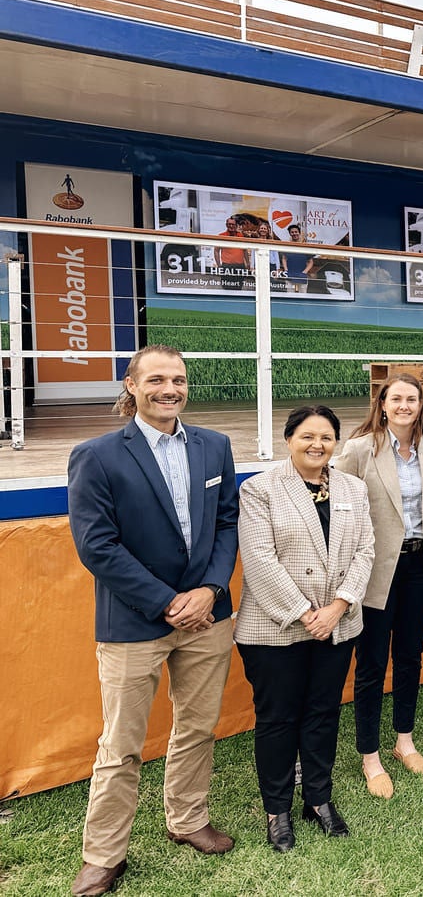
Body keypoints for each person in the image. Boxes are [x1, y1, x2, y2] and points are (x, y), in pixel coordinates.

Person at [67, 345, 238, 896]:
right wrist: (169, 602)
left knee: (197, 726)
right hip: (135, 622)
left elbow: (228, 524)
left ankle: (187, 821)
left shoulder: (215, 447)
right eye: (158, 379)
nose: (171, 389)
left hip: (208, 617)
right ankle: (104, 854)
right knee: (121, 744)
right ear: (132, 385)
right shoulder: (96, 455)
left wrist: (210, 590)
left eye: (180, 380)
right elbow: (97, 547)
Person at [235, 405, 373, 851]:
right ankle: (277, 810)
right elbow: (258, 559)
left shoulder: (352, 487)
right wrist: (303, 612)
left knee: (323, 714)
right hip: (276, 629)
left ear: (337, 442)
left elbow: (366, 550)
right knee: (277, 720)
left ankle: (318, 798)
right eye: (307, 436)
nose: (317, 444)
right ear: (288, 439)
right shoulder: (260, 489)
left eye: (327, 437)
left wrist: (337, 607)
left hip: (338, 625)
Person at [337, 374, 423, 797]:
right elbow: (338, 502)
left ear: (421, 405)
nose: (404, 405)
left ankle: (404, 740)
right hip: (376, 571)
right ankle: (370, 756)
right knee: (370, 665)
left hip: (421, 566)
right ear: (382, 404)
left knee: (410, 657)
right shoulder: (361, 449)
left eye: (412, 399)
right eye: (396, 398)